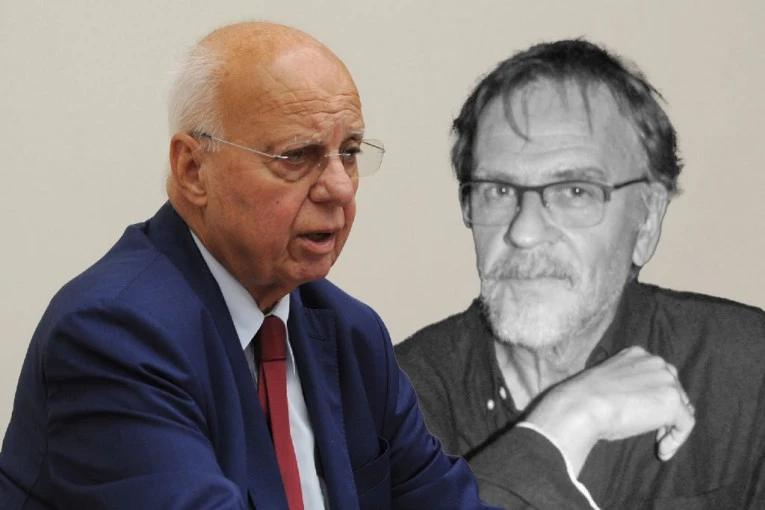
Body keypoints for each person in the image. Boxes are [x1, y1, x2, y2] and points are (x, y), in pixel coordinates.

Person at [0, 23, 693, 509]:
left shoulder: (347, 333)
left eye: (351, 153)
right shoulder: (114, 334)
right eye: (296, 156)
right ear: (192, 170)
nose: (337, 187)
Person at [395, 38, 765, 509]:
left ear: (646, 220)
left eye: (574, 191)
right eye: (498, 190)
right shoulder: (385, 402)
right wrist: (563, 426)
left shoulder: (745, 372)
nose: (524, 232)